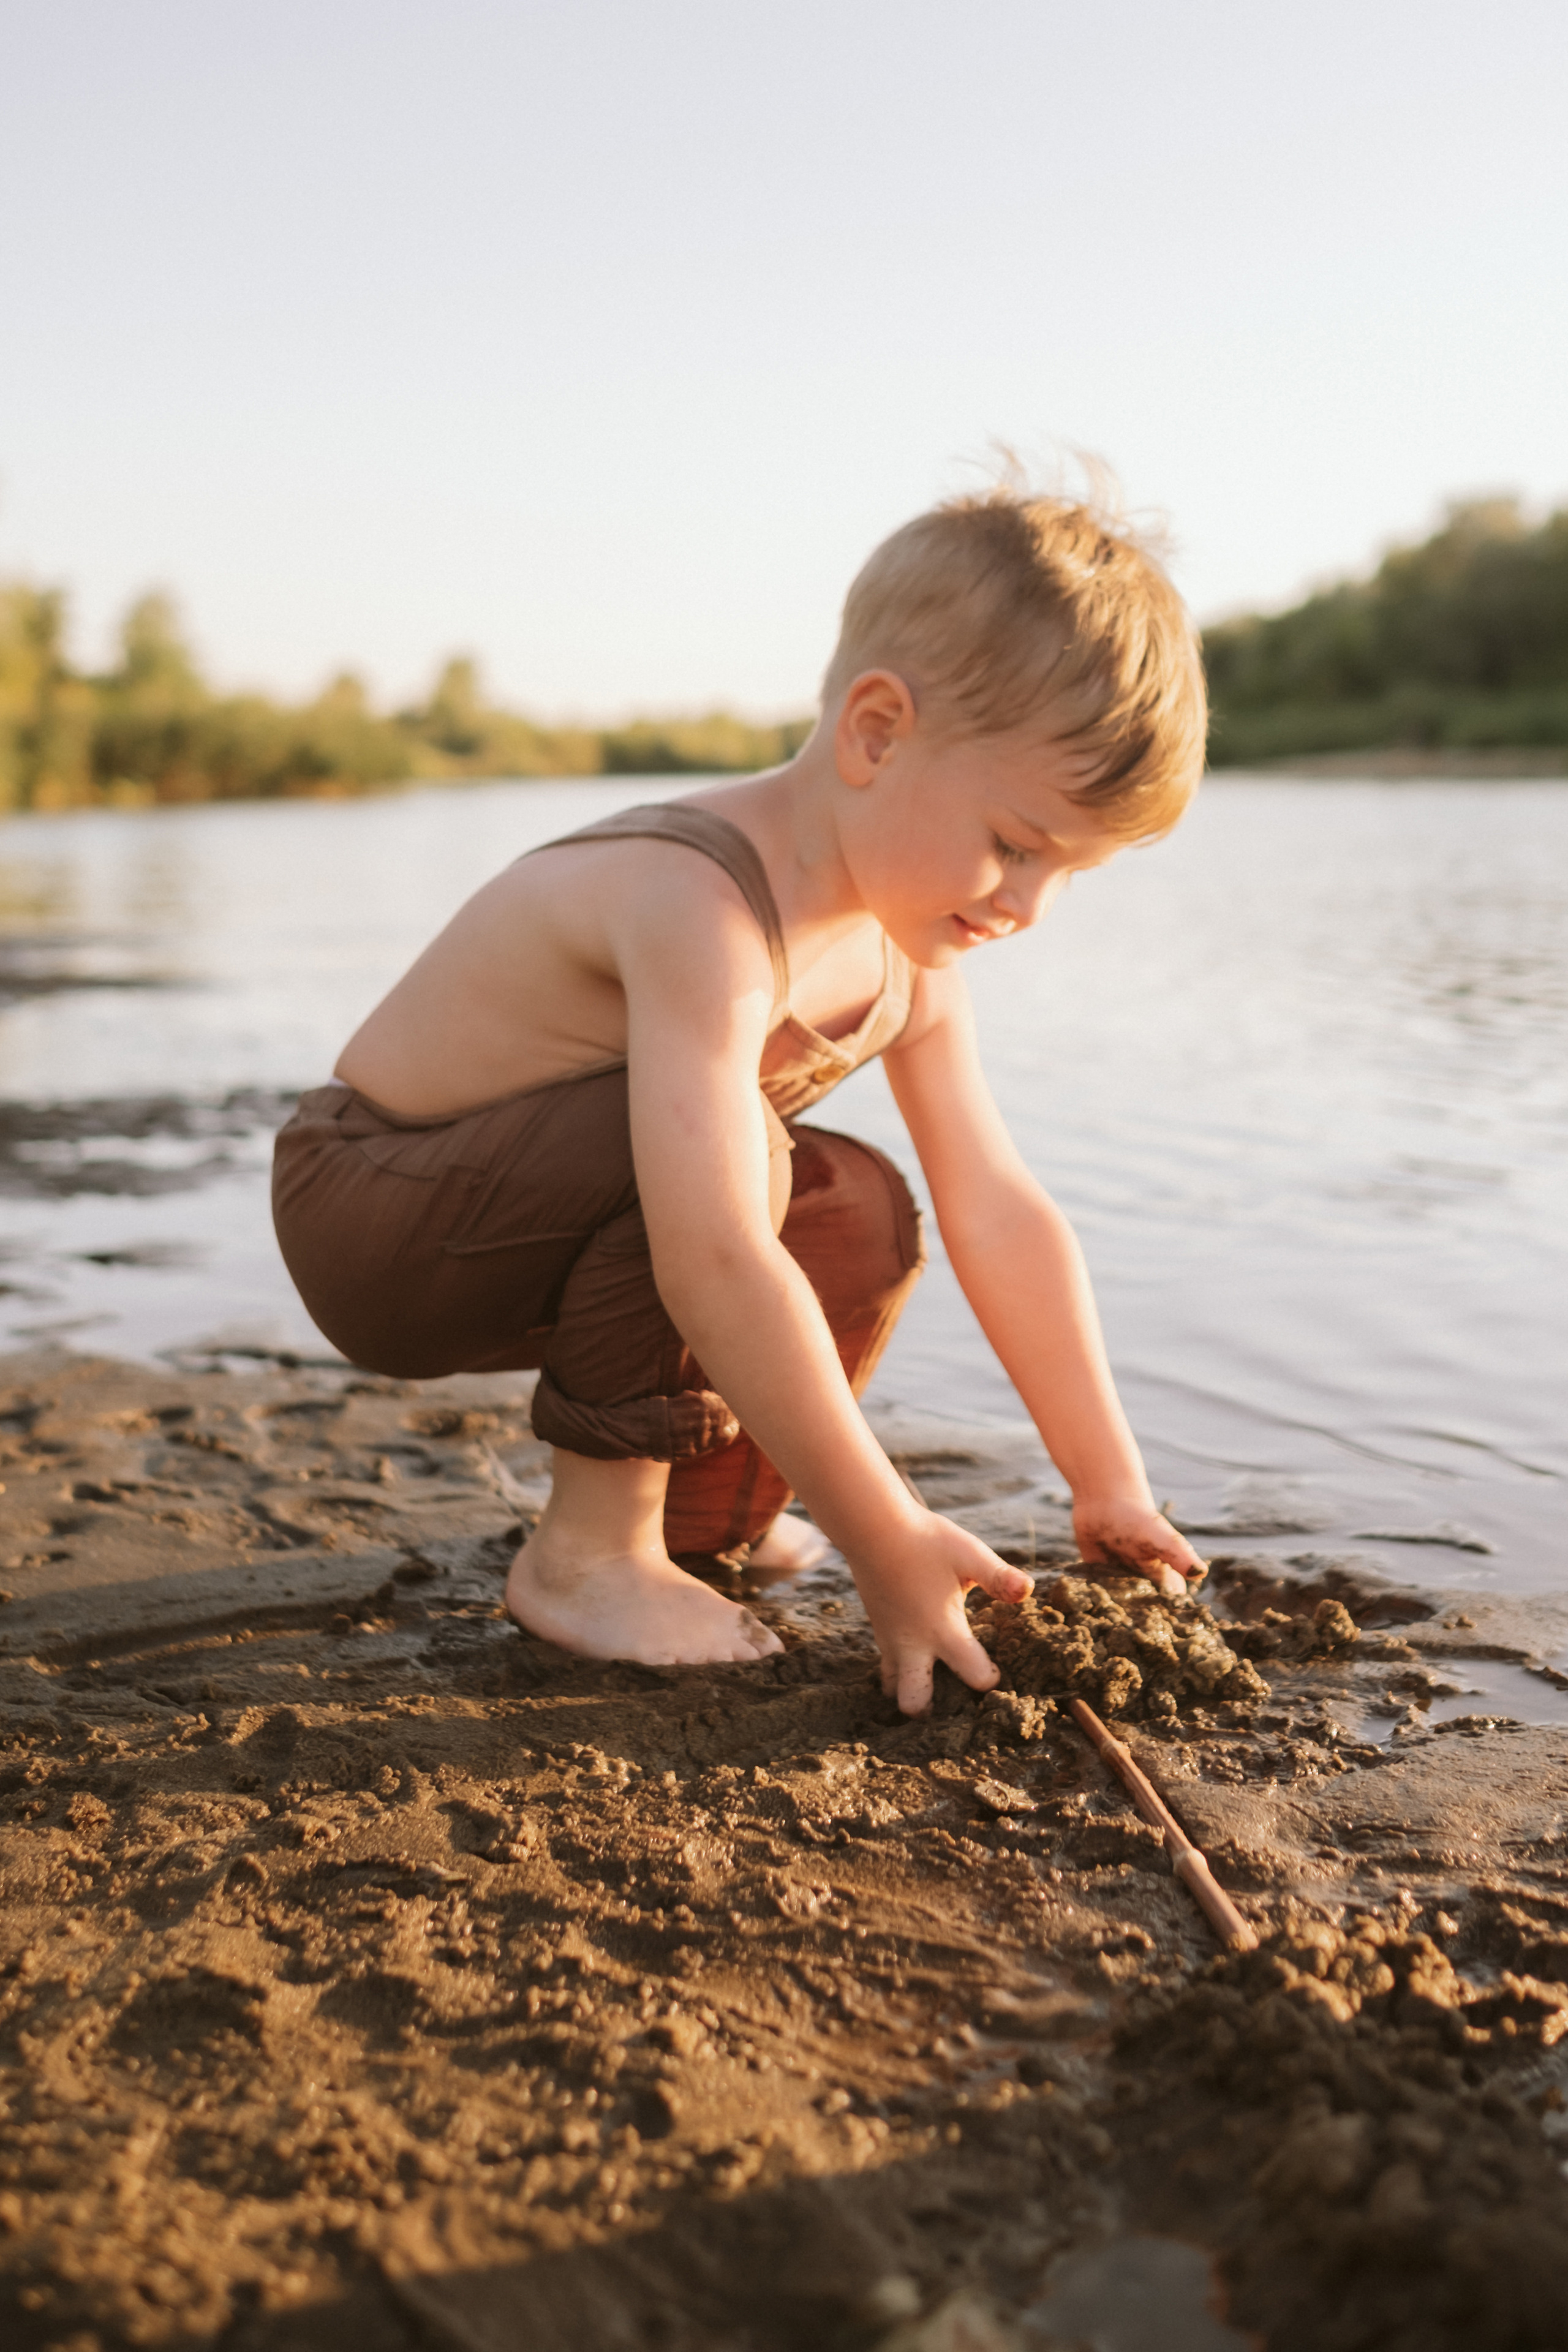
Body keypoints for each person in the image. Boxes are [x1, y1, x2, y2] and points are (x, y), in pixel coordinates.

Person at [272, 479, 1210, 1714]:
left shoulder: (903, 951)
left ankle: (700, 1519)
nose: (1026, 906)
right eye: (1015, 844)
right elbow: (711, 1249)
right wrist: (884, 1531)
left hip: (526, 1217)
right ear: (876, 732)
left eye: (1069, 876)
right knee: (745, 1177)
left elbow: (996, 1211)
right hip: (378, 1218)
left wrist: (1106, 1483)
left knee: (858, 1204)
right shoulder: (697, 904)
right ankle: (588, 1555)